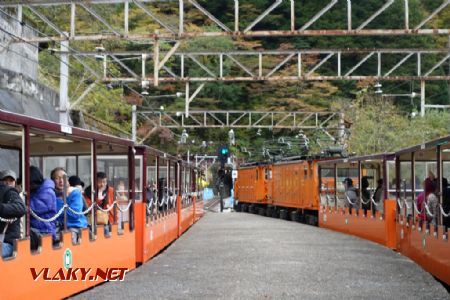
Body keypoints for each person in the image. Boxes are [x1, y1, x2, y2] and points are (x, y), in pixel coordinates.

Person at [52, 169, 88, 244]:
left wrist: (61, 202)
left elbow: (75, 214)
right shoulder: (51, 195)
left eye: (63, 177)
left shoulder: (75, 192)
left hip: (75, 227)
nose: (61, 181)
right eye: (57, 178)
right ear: (52, 181)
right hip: (57, 228)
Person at [0, 170, 26, 258]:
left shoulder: (12, 193)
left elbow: (21, 209)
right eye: (5, 180)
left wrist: (1, 208)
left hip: (8, 241)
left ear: (15, 182)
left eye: (11, 181)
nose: (8, 183)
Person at [29, 166, 58, 244]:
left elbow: (35, 208)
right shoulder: (34, 190)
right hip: (35, 228)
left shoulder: (47, 191)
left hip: (45, 230)